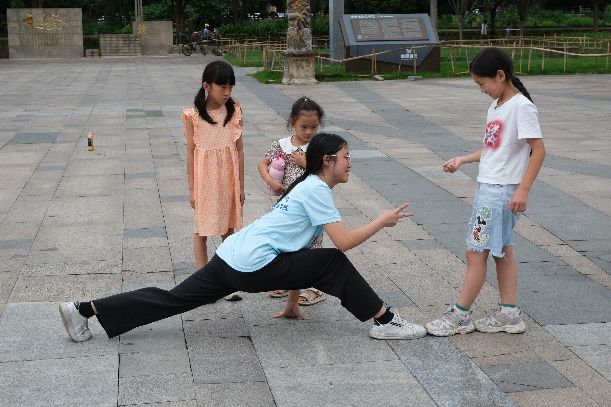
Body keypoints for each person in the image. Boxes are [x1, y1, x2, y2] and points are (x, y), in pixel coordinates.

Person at [58, 133, 427, 342]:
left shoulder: (309, 186)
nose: (351, 163)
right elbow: (340, 245)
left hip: (232, 256)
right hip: (251, 265)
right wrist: (380, 220)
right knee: (333, 261)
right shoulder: (315, 190)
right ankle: (384, 321)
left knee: (173, 299)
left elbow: (301, 257)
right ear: (328, 161)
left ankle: (83, 309)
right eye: (347, 156)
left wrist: (291, 305)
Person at [425, 47, 546, 337]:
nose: (481, 90)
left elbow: (539, 150)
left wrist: (523, 190)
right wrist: (463, 159)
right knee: (501, 250)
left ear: (501, 75)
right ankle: (509, 313)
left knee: (475, 250)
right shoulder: (497, 106)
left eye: (482, 84)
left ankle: (460, 315)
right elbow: (494, 149)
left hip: (500, 192)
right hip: (488, 188)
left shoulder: (521, 107)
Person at [184, 60, 245, 301]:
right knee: (202, 229)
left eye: (230, 87)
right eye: (222, 87)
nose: (227, 92)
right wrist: (192, 189)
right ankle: (203, 282)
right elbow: (190, 152)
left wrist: (241, 185)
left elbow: (240, 150)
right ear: (206, 86)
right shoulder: (193, 116)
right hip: (205, 178)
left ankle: (226, 280)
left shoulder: (235, 111)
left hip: (228, 176)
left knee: (228, 229)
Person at [258, 96, 327, 306]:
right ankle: (289, 280)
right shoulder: (281, 145)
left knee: (312, 244)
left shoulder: (319, 146)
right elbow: (263, 163)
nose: (309, 132)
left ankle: (315, 286)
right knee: (286, 240)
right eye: (303, 127)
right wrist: (271, 180)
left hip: (311, 206)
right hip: (287, 205)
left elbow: (325, 172)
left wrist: (305, 162)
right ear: (292, 123)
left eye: (313, 127)